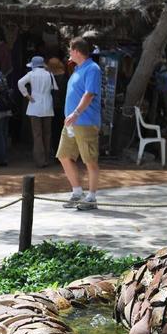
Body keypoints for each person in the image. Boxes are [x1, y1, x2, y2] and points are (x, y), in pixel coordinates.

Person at [57, 37, 102, 210]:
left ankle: (91, 197)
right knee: (64, 156)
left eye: (70, 50)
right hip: (72, 122)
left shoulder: (92, 68)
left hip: (85, 121)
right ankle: (77, 192)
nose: (69, 53)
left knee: (90, 160)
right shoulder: (77, 69)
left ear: (76, 51)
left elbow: (89, 94)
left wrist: (75, 113)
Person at [18, 55, 58, 168]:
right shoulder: (49, 74)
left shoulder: (32, 74)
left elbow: (20, 83)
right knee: (47, 134)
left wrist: (27, 95)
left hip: (35, 105)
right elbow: (54, 88)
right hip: (48, 105)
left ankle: (40, 160)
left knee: (37, 134)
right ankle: (46, 158)